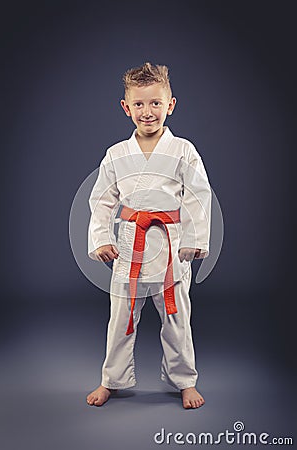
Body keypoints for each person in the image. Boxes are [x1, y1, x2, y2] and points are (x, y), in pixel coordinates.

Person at [86, 62, 212, 409]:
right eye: (139, 104)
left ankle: (185, 380)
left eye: (156, 103)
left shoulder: (184, 150)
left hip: (170, 245)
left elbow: (198, 195)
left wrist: (194, 239)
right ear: (126, 108)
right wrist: (101, 238)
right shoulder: (116, 154)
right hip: (130, 244)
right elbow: (101, 199)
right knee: (121, 317)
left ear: (170, 105)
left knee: (176, 317)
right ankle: (111, 380)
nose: (148, 112)